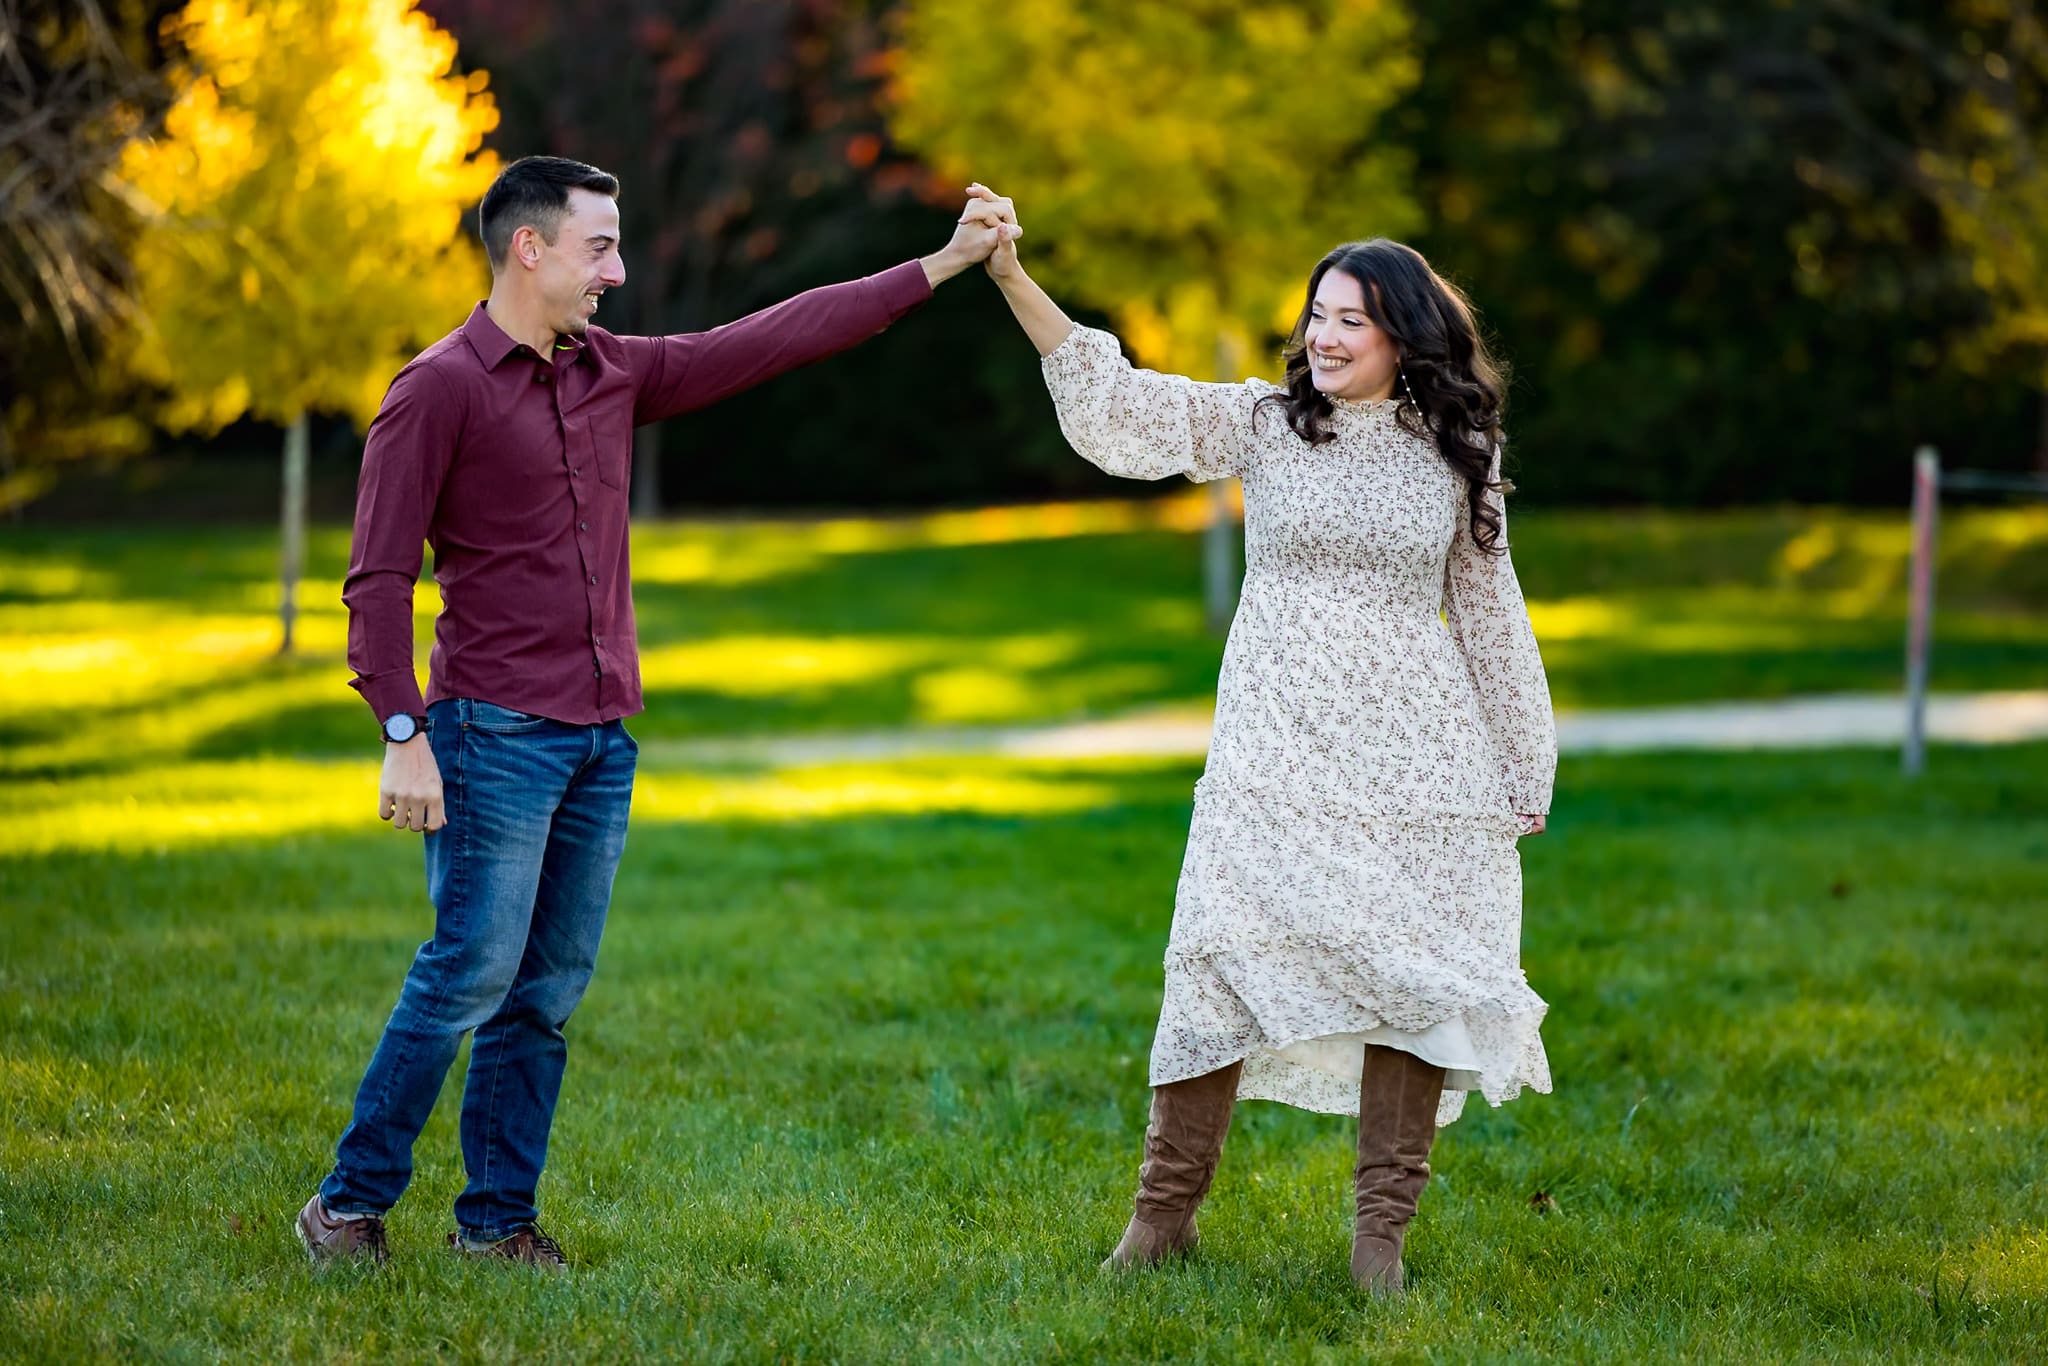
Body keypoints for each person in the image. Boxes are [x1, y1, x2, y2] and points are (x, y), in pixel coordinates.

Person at [296, 156, 1018, 1268]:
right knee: (468, 974)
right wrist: (402, 732)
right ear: (527, 248)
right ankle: (346, 1206)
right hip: (489, 736)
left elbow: (779, 333)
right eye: (600, 247)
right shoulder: (436, 389)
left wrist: (942, 265)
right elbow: (376, 579)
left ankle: (494, 1223)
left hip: (598, 739)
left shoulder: (609, 373)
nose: (617, 272)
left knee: (543, 995)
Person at [972, 185, 1556, 1296]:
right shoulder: (1267, 424)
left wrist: (1524, 760)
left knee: (1412, 980)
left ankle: (1377, 1243)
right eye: (1315, 314)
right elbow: (1121, 400)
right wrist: (1009, 276)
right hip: (1270, 746)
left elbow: (1490, 616)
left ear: (1403, 338)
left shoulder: (1453, 452)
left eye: (1349, 320)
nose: (1321, 337)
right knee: (1216, 951)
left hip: (1414, 759)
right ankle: (1160, 1220)